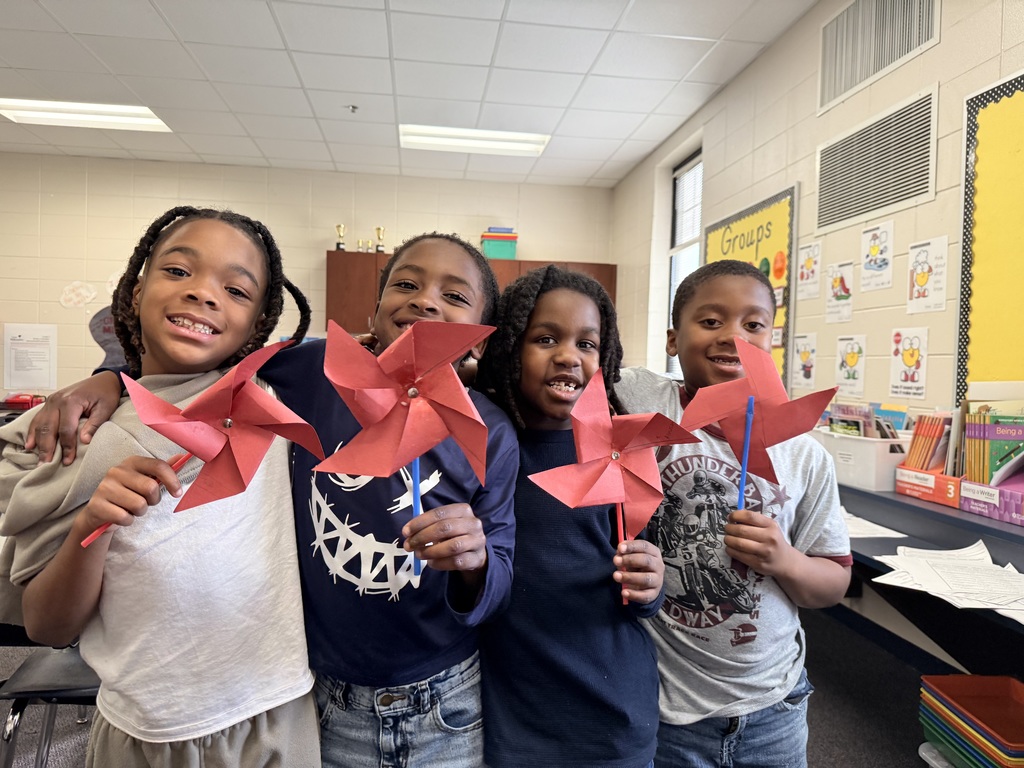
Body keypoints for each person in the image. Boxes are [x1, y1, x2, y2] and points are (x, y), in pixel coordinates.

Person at [21, 232, 520, 768]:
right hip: (322, 691)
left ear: (478, 341)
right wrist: (110, 380)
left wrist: (476, 563)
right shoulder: (315, 373)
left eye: (455, 296)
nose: (425, 300)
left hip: (442, 697)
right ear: (374, 312)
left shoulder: (490, 434)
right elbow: (212, 368)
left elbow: (500, 572)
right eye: (406, 284)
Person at [0, 206, 321, 766]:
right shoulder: (77, 439)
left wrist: (108, 372)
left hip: (274, 715)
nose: (203, 293)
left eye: (237, 290)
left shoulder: (276, 402)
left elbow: (402, 374)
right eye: (178, 271)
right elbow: (47, 625)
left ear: (260, 324)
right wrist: (91, 526)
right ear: (133, 290)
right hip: (142, 729)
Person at [615, 259, 852, 768]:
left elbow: (832, 584)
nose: (731, 336)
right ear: (673, 340)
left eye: (752, 324)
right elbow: (565, 365)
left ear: (772, 340)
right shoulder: (644, 399)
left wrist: (784, 560)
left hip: (773, 705)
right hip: (665, 708)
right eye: (710, 321)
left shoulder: (805, 456)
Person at [475, 265, 664, 768]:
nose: (568, 356)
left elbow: (644, 581)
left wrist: (651, 584)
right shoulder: (483, 440)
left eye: (587, 344)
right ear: (510, 345)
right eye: (545, 338)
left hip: (614, 719)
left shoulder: (623, 451)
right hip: (514, 722)